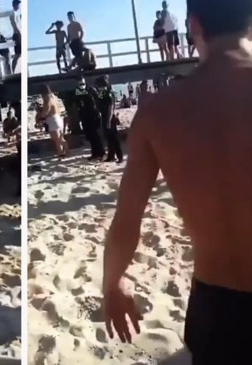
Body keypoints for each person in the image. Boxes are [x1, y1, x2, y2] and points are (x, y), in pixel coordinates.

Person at [102, 1, 252, 363]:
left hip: (218, 308)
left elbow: (126, 221)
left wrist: (112, 285)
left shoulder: (157, 111)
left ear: (193, 25)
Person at [74, 77, 104, 160]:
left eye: (82, 83)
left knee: (96, 135)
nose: (81, 85)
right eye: (80, 84)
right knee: (90, 136)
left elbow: (98, 100)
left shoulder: (91, 89)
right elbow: (78, 103)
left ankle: (101, 153)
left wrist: (99, 112)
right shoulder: (78, 91)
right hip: (84, 115)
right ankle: (94, 153)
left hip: (93, 114)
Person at [95, 76, 122, 163]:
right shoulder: (102, 93)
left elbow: (111, 107)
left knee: (113, 138)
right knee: (109, 138)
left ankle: (119, 157)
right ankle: (111, 156)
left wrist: (109, 121)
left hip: (109, 117)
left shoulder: (108, 93)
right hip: (105, 116)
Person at [36, 84, 68, 158]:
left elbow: (45, 113)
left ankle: (60, 153)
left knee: (56, 140)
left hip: (53, 120)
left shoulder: (47, 99)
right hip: (58, 118)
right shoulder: (53, 97)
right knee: (61, 138)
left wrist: (40, 114)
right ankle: (66, 151)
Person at [10, 0, 22, 72]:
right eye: (17, 4)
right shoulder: (12, 13)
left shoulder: (15, 14)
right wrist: (19, 34)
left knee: (18, 53)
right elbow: (14, 24)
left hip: (17, 34)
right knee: (17, 54)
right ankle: (13, 71)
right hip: (16, 34)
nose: (18, 6)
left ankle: (13, 70)